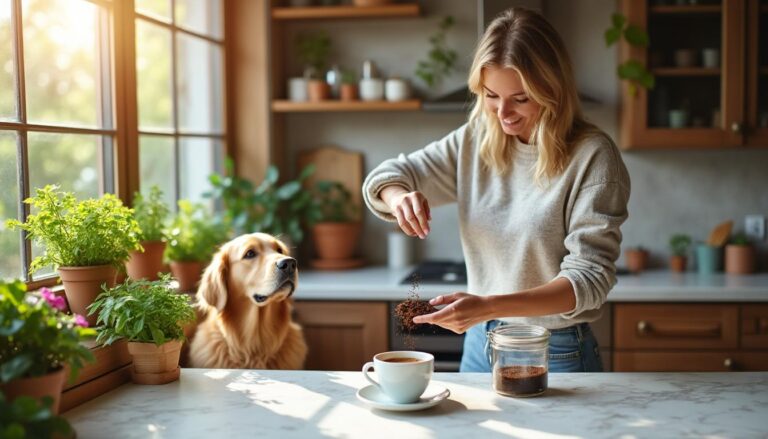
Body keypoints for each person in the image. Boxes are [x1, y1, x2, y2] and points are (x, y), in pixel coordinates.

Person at [362, 7, 630, 373]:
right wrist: (398, 196)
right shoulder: (476, 140)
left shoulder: (593, 157)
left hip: (555, 348)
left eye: (520, 98)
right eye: (491, 95)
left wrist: (488, 304)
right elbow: (390, 174)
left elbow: (588, 281)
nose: (503, 113)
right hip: (480, 343)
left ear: (553, 89)